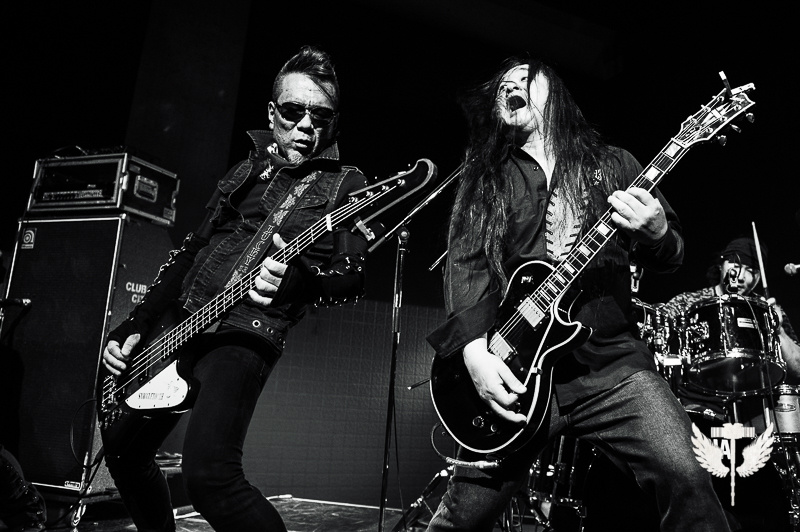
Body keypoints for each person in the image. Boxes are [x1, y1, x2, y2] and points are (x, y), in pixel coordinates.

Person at [425, 56, 731, 531]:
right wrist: (472, 352)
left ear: (555, 94)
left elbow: (671, 254)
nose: (510, 86)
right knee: (461, 518)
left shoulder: (615, 165)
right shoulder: (487, 177)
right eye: (502, 84)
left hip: (612, 365)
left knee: (688, 478)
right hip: (518, 371)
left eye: (524, 78)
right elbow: (464, 266)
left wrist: (657, 232)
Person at [100, 45, 369, 532]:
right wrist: (136, 322)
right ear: (272, 113)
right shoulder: (243, 172)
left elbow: (352, 278)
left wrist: (299, 279)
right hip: (182, 322)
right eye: (293, 111)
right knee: (122, 450)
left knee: (210, 477)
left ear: (333, 122)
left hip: (247, 331)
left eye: (321, 115)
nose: (306, 125)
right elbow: (190, 252)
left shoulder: (346, 185)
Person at [662, 236, 800, 385]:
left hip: (753, 390)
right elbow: (657, 330)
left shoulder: (766, 309)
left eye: (750, 271)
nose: (740, 276)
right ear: (721, 264)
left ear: (760, 277)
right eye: (735, 266)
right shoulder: (688, 302)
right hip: (696, 389)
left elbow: (798, 368)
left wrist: (778, 330)